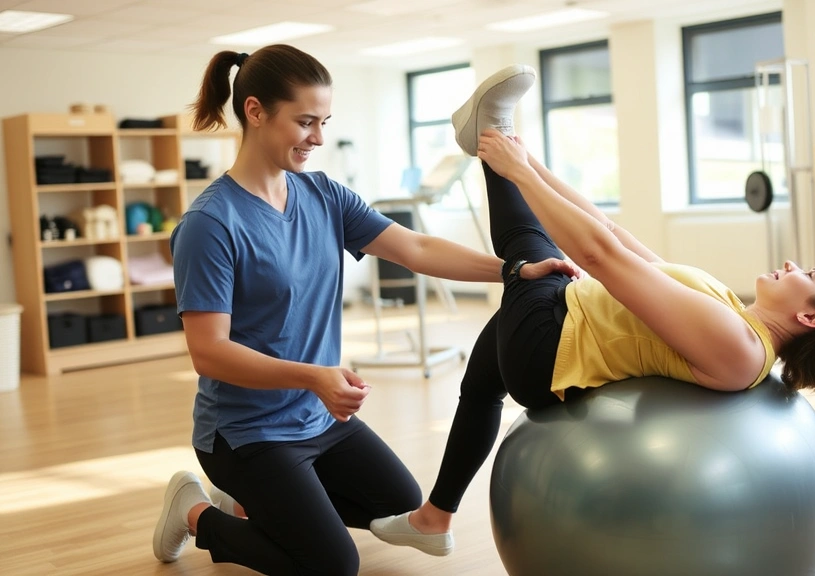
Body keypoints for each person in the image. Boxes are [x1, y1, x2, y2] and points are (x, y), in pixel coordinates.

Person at [368, 64, 815, 556]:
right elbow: (616, 239)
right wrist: (528, 163)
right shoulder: (731, 311)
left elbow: (598, 258)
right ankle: (434, 518)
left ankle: (489, 131)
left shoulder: (740, 350)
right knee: (479, 388)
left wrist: (514, 168)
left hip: (545, 347)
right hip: (557, 321)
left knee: (530, 247)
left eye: (808, 275)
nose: (793, 263)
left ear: (811, 319)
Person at [151, 46, 577, 576]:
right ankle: (194, 512)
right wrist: (314, 378)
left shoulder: (323, 194)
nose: (319, 138)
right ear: (255, 111)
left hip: (317, 418)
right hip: (246, 432)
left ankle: (248, 506)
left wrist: (513, 271)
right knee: (333, 564)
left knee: (401, 505)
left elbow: (415, 249)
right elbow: (208, 353)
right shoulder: (211, 224)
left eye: (324, 121)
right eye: (305, 122)